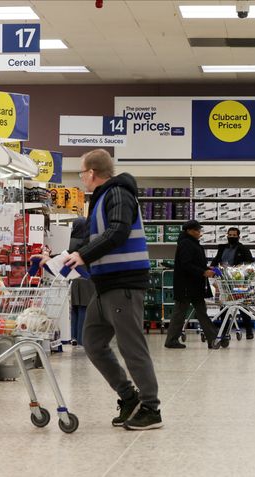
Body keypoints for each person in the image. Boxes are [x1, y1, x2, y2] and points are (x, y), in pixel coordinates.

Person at [64, 148, 162, 430]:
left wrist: (83, 256)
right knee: (93, 343)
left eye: (82, 173)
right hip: (105, 286)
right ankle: (129, 396)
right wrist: (56, 258)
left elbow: (117, 232)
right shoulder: (100, 199)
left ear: (92, 173)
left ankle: (151, 408)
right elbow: (88, 243)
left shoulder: (119, 193)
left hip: (125, 284)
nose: (81, 178)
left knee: (132, 348)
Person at [165, 220, 220, 349]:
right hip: (185, 285)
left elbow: (195, 263)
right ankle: (171, 340)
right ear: (189, 231)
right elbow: (186, 264)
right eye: (197, 230)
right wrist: (203, 272)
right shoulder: (186, 244)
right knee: (180, 312)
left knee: (201, 311)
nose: (199, 232)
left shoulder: (192, 243)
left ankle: (213, 338)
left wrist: (207, 269)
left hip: (194, 285)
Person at [210, 227, 255, 339]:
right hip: (225, 282)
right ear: (227, 235)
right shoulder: (222, 248)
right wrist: (213, 270)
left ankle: (249, 331)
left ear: (238, 237)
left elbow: (250, 264)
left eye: (234, 235)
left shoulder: (243, 249)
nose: (232, 237)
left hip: (239, 282)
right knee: (224, 306)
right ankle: (224, 331)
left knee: (243, 306)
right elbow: (215, 261)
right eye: (230, 235)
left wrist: (239, 269)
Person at [68, 217, 96, 346]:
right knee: (84, 308)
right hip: (86, 278)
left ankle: (73, 336)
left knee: (75, 308)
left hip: (73, 279)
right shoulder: (87, 242)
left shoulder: (69, 241)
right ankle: (81, 338)